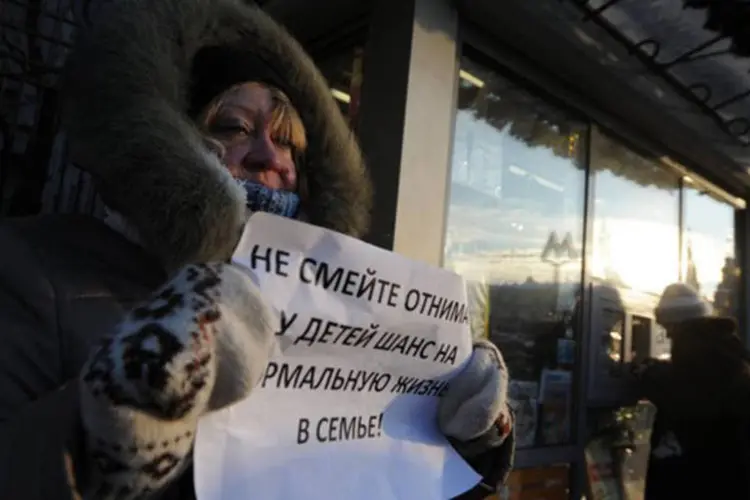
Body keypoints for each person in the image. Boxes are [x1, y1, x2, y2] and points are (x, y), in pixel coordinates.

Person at [0, 0, 515, 498]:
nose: (273, 158)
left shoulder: (336, 306)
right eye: (235, 128)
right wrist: (107, 426)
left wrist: (460, 439)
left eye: (289, 142)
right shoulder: (33, 265)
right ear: (169, 132)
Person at [632, 282, 750, 499]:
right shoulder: (725, 354)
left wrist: (651, 374)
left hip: (702, 483)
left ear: (680, 326)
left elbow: (693, 395)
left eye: (668, 328)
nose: (667, 337)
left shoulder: (698, 355)